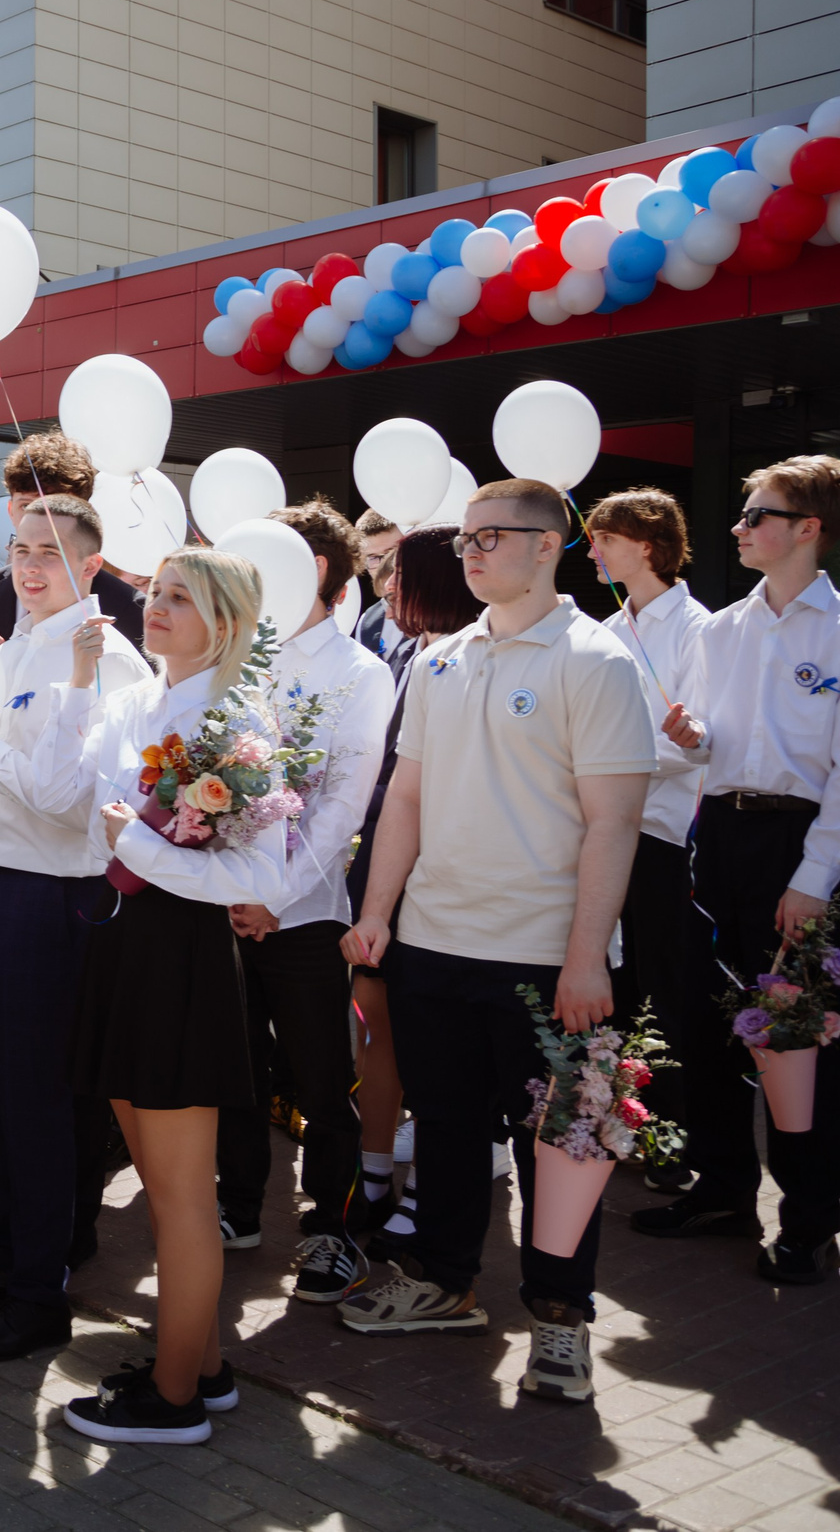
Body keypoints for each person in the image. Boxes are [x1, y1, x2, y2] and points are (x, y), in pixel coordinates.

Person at [341, 480, 652, 1406]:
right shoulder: (439, 659)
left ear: (553, 544)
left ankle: (560, 1319)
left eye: (491, 536)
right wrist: (380, 911)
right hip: (437, 942)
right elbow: (405, 796)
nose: (471, 552)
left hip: (546, 957)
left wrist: (587, 955)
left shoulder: (597, 661)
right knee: (441, 1124)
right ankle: (446, 1279)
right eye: (464, 537)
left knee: (559, 1140)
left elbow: (614, 823)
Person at [3, 548, 275, 1445]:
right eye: (155, 592)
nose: (155, 607)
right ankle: (196, 1364)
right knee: (163, 1188)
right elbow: (58, 793)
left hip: (181, 958)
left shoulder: (237, 719)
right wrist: (79, 681)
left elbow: (254, 876)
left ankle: (173, 1400)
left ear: (225, 622)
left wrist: (143, 847)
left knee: (181, 1193)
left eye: (180, 598)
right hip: (120, 945)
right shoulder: (130, 701)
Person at [0, 494, 148, 1360]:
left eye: (49, 551)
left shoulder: (104, 658)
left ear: (92, 566)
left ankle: (37, 1292)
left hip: (54, 896)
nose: (27, 565)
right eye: (19, 548)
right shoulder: (13, 642)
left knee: (42, 1104)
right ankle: (6, 1254)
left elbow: (66, 803)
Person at [641, 457, 840, 1283]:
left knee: (796, 1040)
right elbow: (724, 745)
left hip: (800, 848)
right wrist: (696, 739)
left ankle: (808, 1221)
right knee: (701, 1018)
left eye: (757, 514)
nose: (739, 527)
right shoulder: (720, 629)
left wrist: (814, 877)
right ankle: (724, 1189)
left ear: (807, 528)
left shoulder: (837, 630)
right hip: (718, 836)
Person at [212, 502, 393, 1301]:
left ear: (312, 570)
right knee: (234, 1067)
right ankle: (238, 1203)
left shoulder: (360, 673)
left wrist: (273, 896)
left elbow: (343, 808)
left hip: (306, 913)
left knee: (323, 1080)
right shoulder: (235, 658)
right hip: (222, 909)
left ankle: (333, 1229)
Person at [341, 525, 476, 1251]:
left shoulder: (470, 660)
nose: (386, 587)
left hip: (443, 866)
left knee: (432, 1038)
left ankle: (426, 1188)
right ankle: (369, 1176)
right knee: (374, 1022)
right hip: (381, 863)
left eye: (400, 574)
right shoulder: (397, 653)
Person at [581, 488, 705, 1194]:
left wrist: (612, 766)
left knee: (661, 989)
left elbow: (699, 741)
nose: (593, 549)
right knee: (613, 988)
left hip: (658, 837)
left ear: (649, 544)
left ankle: (665, 1139)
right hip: (601, 833)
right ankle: (616, 1123)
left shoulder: (696, 627)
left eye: (606, 537)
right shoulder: (608, 626)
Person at [0, 432, 145, 646]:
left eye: (52, 508)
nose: (38, 520)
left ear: (82, 511)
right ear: (10, 510)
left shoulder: (129, 609)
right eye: (26, 506)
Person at [354, 511, 404, 659]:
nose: (383, 566)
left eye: (391, 554)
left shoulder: (436, 613)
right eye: (373, 557)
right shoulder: (368, 621)